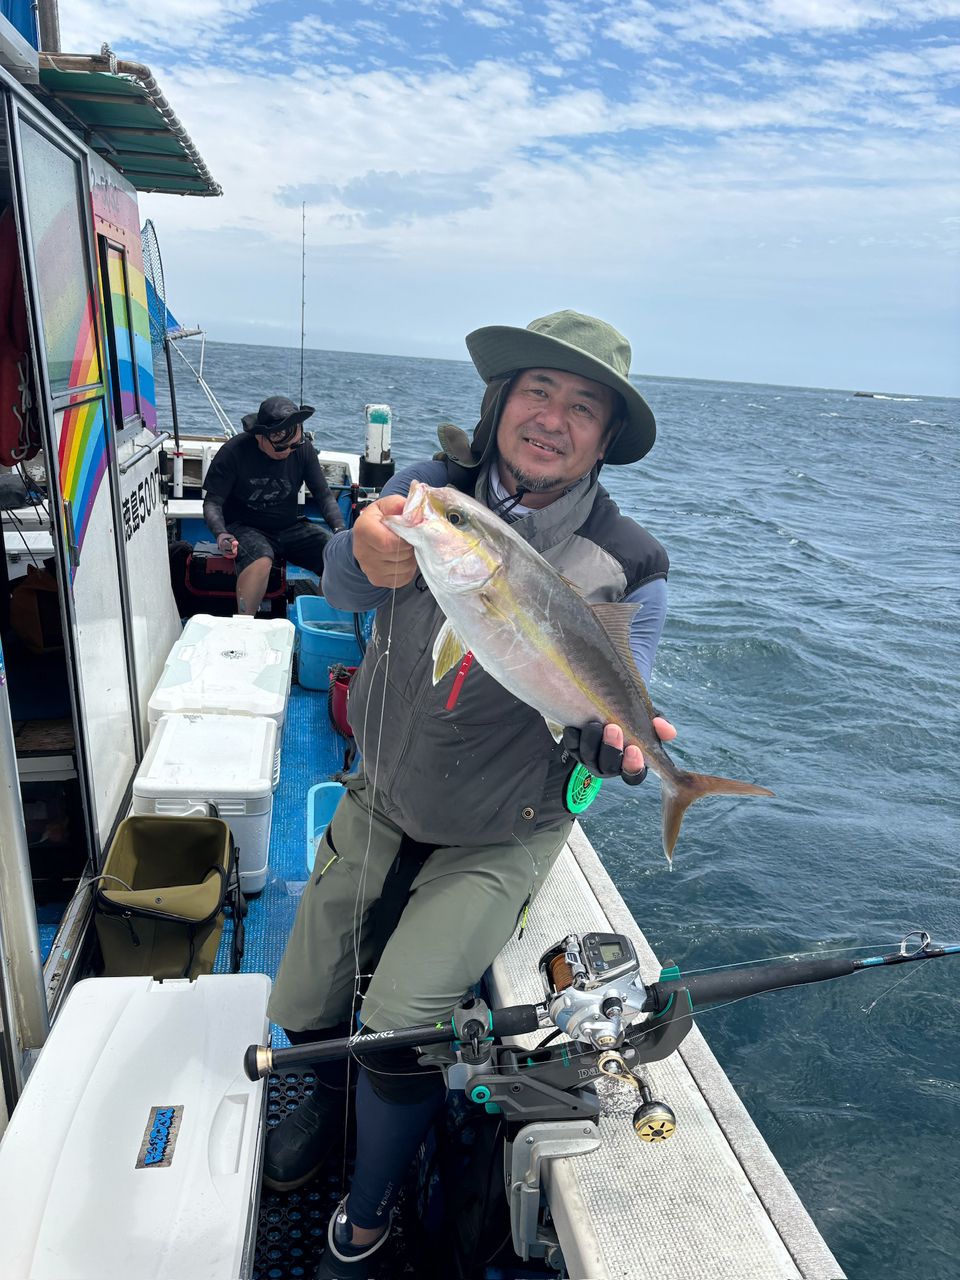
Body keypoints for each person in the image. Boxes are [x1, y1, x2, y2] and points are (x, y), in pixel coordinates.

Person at [265, 311, 677, 1279]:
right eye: (537, 390)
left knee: (403, 1021)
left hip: (504, 825)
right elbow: (342, 587)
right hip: (384, 790)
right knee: (305, 985)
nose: (552, 418)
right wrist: (361, 554)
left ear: (606, 438)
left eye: (584, 407)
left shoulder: (631, 560)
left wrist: (617, 740)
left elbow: (610, 696)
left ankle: (365, 1218)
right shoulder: (427, 493)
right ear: (498, 404)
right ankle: (323, 1100)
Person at [201, 396, 345, 615]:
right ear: (260, 436)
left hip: (289, 526)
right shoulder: (234, 452)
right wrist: (221, 534)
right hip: (246, 526)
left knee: (334, 553)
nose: (288, 451)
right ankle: (244, 622)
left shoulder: (303, 450)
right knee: (260, 557)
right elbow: (212, 502)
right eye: (281, 448)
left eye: (294, 445)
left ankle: (325, 620)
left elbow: (324, 495)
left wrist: (339, 531)